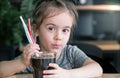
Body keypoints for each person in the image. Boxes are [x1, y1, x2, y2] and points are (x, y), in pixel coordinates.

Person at [0, 0, 103, 78]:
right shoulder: (32, 56)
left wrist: (68, 74)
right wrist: (22, 63)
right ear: (36, 30)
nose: (58, 37)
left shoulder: (70, 53)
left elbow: (97, 68)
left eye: (65, 30)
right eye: (51, 28)